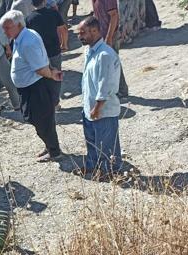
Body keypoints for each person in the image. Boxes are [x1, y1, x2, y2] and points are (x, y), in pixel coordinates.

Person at [1, 9, 63, 162]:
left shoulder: (28, 41)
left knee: (42, 121)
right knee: (38, 120)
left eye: (7, 28)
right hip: (29, 87)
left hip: (35, 87)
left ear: (19, 25)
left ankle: (54, 151)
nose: (5, 31)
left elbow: (40, 68)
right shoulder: (21, 36)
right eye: (4, 28)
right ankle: (49, 145)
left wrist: (51, 74)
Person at [77, 16, 123, 176]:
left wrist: (98, 107)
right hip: (89, 107)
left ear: (95, 31)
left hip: (103, 110)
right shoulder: (89, 51)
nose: (79, 36)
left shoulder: (104, 55)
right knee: (92, 142)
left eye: (82, 32)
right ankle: (91, 166)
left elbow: (106, 85)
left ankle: (110, 171)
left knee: (106, 144)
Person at [26, 0, 68, 101]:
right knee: (57, 74)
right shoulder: (53, 13)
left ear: (32, 4)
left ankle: (46, 99)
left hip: (39, 54)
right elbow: (64, 29)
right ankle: (55, 100)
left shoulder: (29, 19)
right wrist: (64, 44)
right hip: (54, 50)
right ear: (44, 2)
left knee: (43, 77)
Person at [92, 0, 128, 97]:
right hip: (102, 36)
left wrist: (109, 37)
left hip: (109, 35)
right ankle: (117, 89)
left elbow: (114, 15)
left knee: (113, 63)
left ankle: (122, 90)